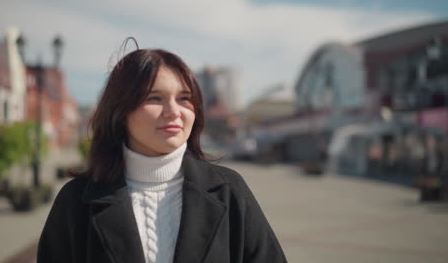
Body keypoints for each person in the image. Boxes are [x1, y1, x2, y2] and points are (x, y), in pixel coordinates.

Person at [37, 41, 287, 263]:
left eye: (184, 99)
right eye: (155, 98)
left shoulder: (229, 191)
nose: (174, 111)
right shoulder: (77, 200)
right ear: (121, 111)